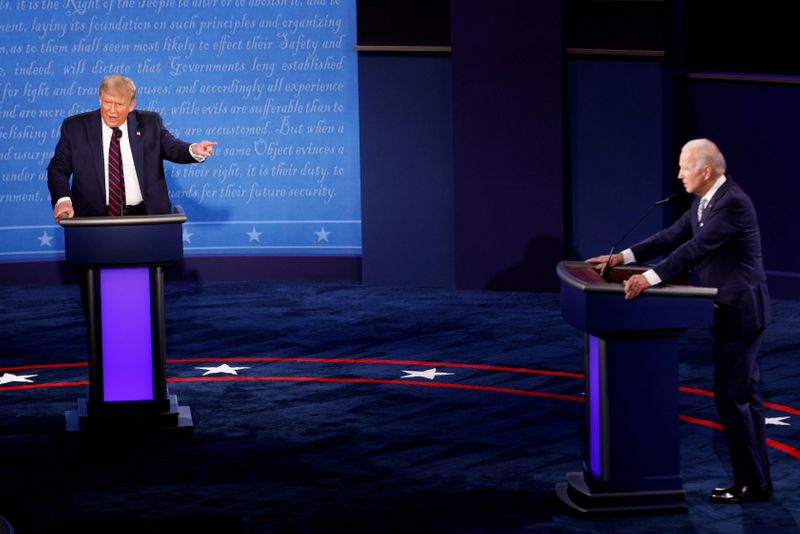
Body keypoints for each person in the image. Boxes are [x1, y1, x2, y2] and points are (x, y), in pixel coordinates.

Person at [586, 138, 772, 504]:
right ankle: (757, 481)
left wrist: (649, 278)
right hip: (728, 310)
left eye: (685, 167)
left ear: (705, 170)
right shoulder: (706, 199)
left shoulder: (731, 203)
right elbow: (672, 236)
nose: (679, 174)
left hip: (742, 310)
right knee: (743, 399)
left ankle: (750, 484)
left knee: (733, 399)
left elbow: (695, 249)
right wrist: (621, 258)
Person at [47, 74, 217, 220]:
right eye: (107, 102)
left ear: (131, 105)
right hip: (93, 219)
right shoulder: (75, 128)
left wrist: (193, 150)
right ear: (100, 98)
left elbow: (172, 147)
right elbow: (58, 168)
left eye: (119, 104)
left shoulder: (149, 123)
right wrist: (63, 200)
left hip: (145, 216)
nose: (111, 111)